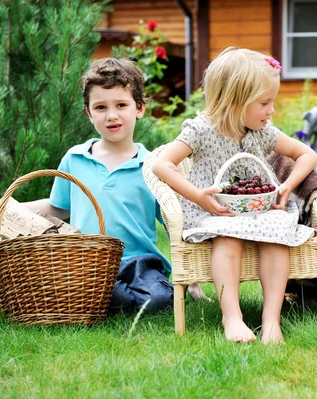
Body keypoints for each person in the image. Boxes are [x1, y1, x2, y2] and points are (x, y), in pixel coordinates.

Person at [151, 47, 317, 344]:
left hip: (255, 209)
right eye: (265, 103)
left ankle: (270, 321)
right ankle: (232, 317)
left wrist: (287, 186)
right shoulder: (202, 130)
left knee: (277, 236)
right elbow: (161, 164)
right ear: (235, 100)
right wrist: (199, 196)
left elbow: (306, 155)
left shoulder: (261, 132)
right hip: (215, 210)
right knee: (229, 237)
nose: (272, 110)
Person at [24, 58, 206, 314]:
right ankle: (107, 296)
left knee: (160, 300)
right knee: (89, 287)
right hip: (88, 261)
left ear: (139, 108)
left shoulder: (152, 165)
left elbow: (173, 222)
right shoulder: (75, 158)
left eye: (121, 104)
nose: (111, 115)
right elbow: (58, 208)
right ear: (88, 113)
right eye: (100, 107)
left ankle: (110, 299)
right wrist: (10, 207)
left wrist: (193, 277)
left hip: (139, 263)